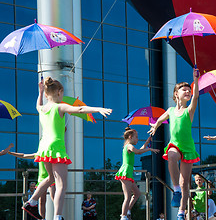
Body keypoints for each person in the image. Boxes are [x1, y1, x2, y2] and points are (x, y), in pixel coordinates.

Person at [22, 76, 112, 220]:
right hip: (56, 147)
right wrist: (98, 109)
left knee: (50, 178)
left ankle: (31, 202)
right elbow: (80, 109)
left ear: (46, 94)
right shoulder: (59, 106)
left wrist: (39, 92)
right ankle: (57, 216)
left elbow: (37, 105)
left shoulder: (43, 108)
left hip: (44, 147)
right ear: (60, 92)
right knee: (61, 185)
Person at [148, 68, 200, 220]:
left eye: (189, 90)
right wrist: (154, 126)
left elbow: (196, 96)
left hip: (188, 147)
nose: (188, 92)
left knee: (185, 184)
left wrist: (195, 79)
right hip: (175, 144)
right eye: (184, 89)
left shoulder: (188, 110)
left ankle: (181, 212)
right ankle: (175, 189)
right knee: (171, 155)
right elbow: (159, 119)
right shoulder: (170, 110)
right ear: (176, 94)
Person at [116, 127, 159, 220]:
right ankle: (123, 216)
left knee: (137, 193)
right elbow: (139, 151)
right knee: (127, 197)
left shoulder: (130, 146)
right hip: (125, 172)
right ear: (131, 137)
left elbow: (139, 151)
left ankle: (127, 210)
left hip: (128, 173)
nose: (137, 139)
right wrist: (150, 149)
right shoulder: (129, 146)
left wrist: (147, 143)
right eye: (136, 137)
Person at [8, 151, 56, 220]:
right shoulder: (39, 154)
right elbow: (24, 155)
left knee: (54, 196)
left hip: (50, 178)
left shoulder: (51, 153)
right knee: (42, 200)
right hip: (42, 179)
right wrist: (12, 153)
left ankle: (57, 216)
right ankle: (42, 218)